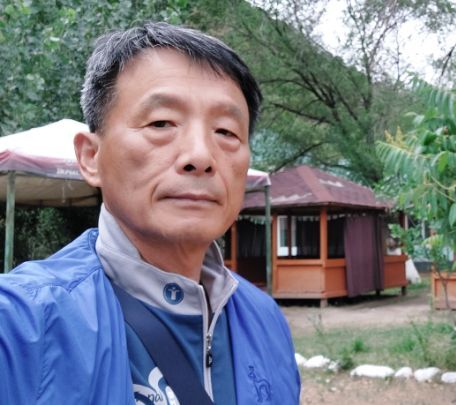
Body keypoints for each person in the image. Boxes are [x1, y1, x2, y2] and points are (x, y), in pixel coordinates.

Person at [0, 22, 300, 404]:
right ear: (91, 157)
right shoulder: (22, 325)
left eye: (226, 132)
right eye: (161, 123)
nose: (200, 156)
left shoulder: (266, 321)